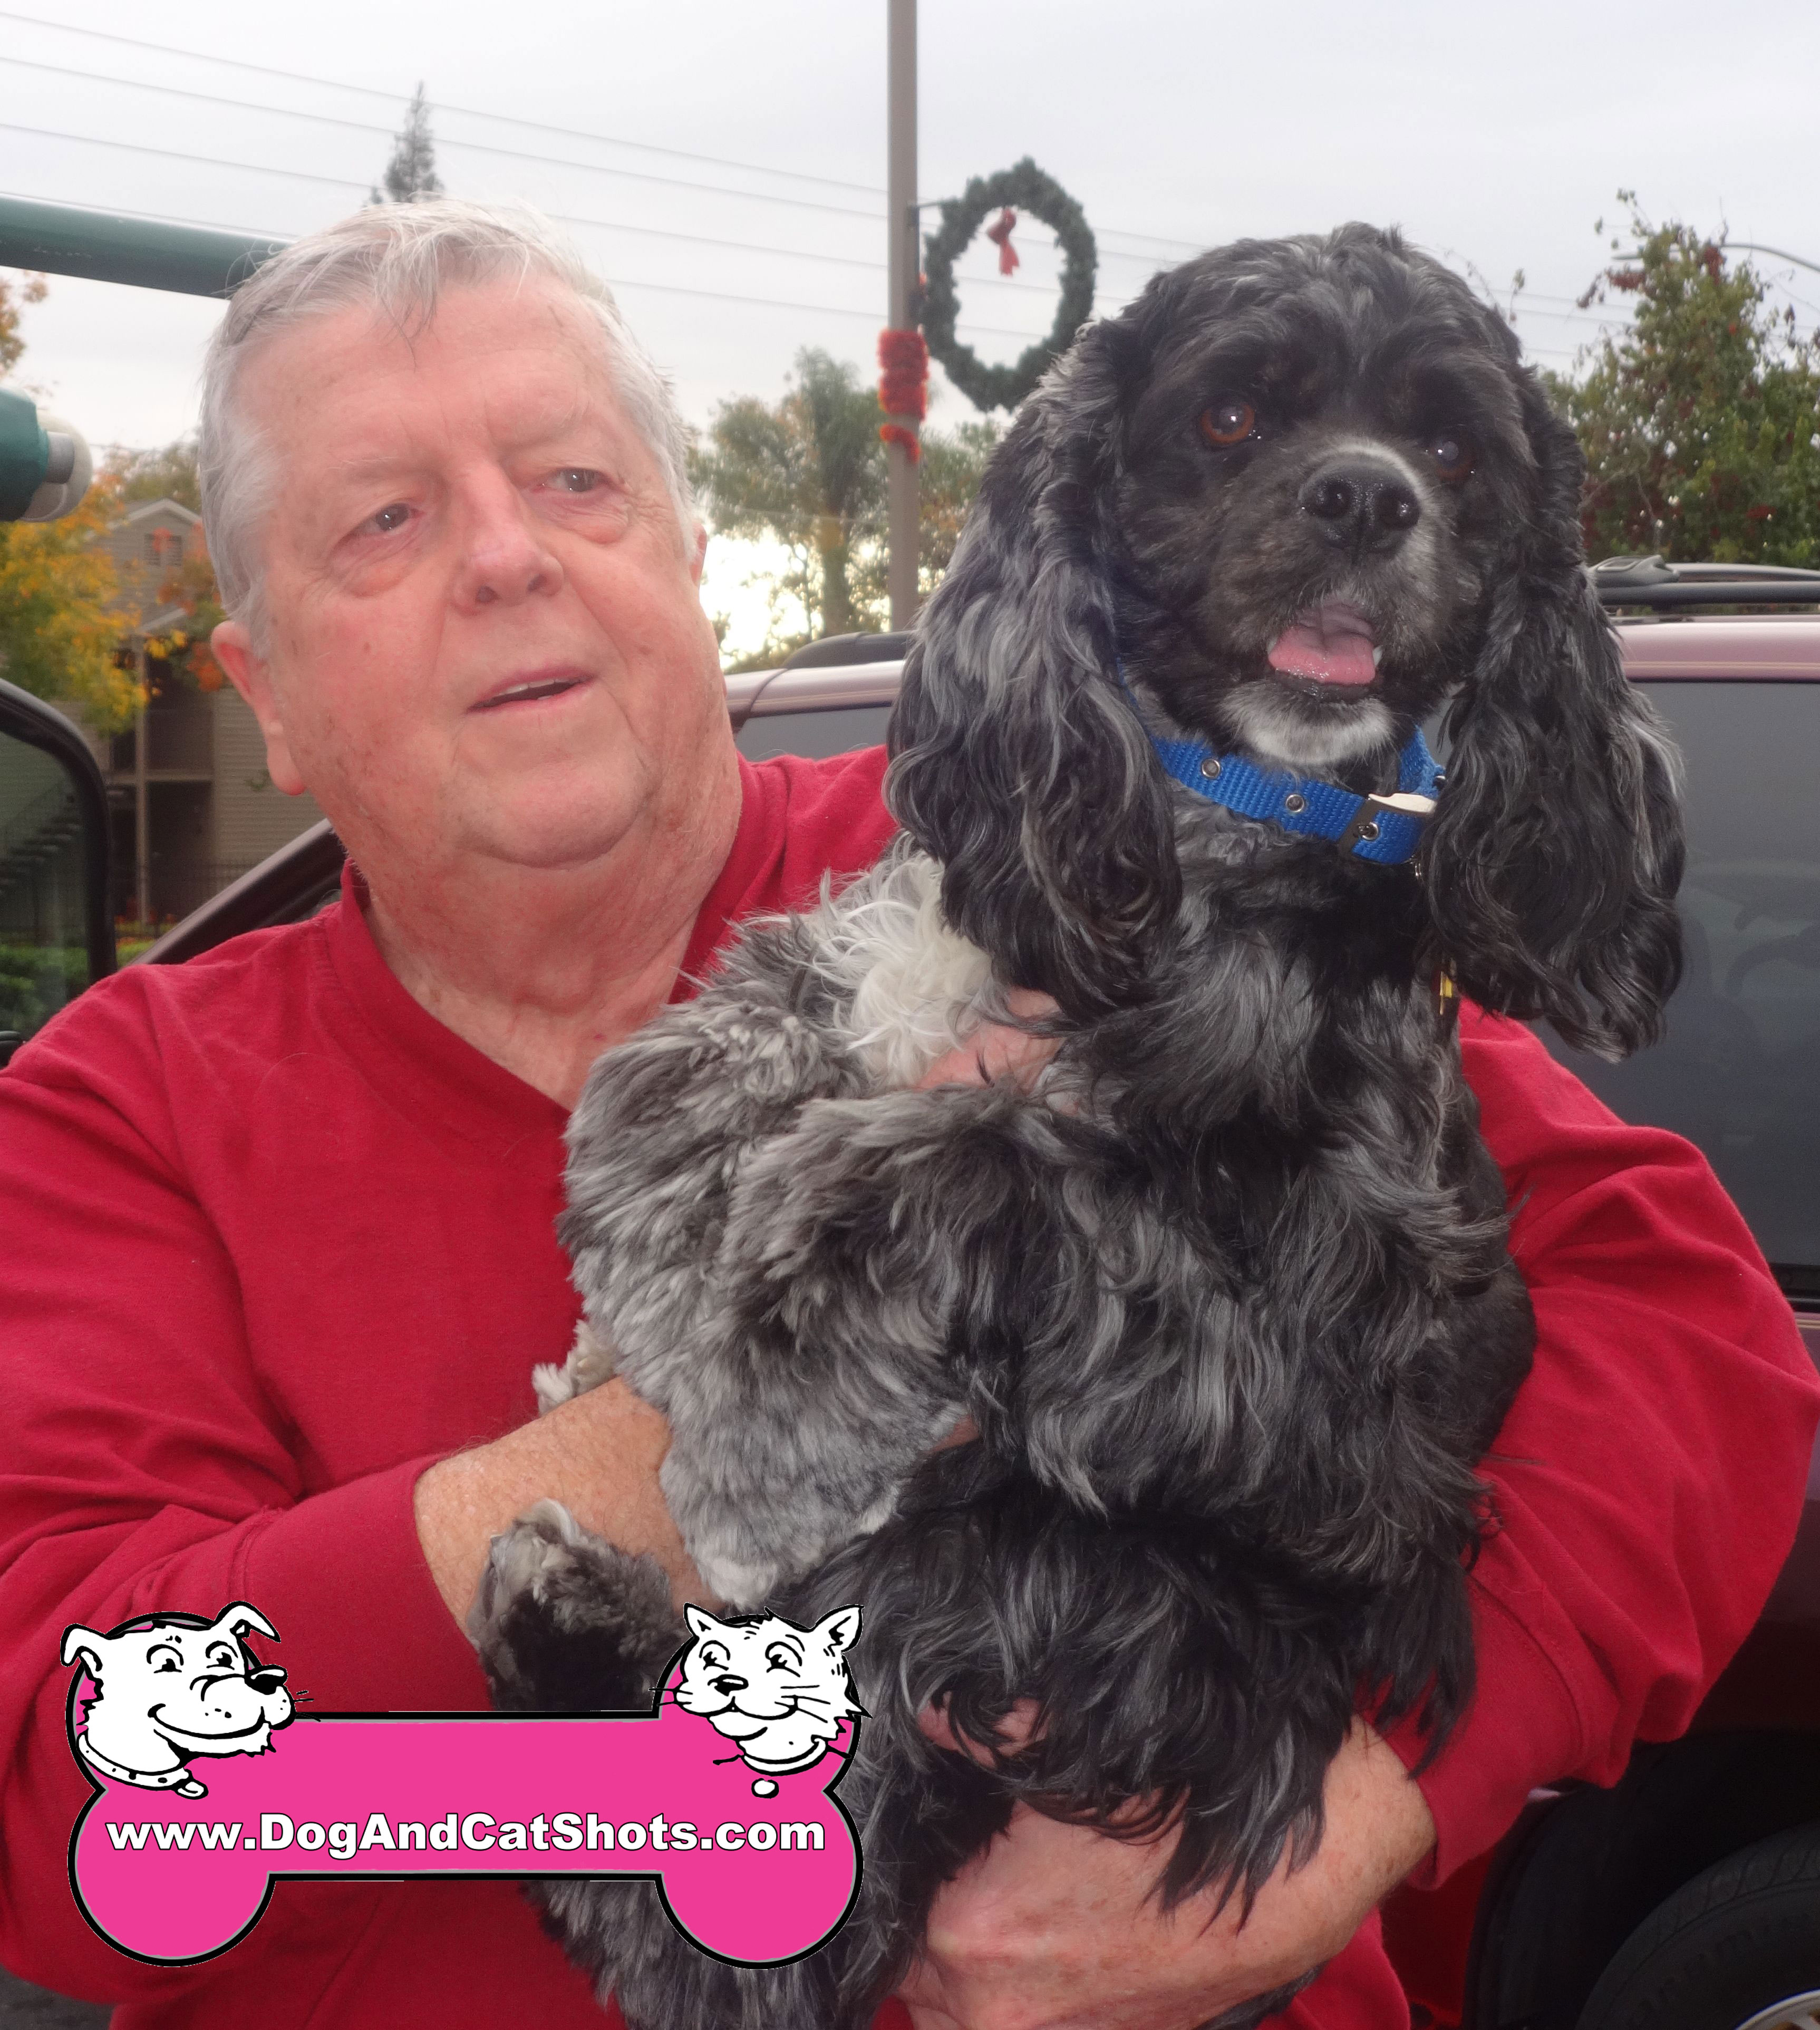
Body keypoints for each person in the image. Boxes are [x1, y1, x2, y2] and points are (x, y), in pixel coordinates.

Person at [0, 200, 1813, 2030]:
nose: (502, 557)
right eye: (384, 520)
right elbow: (50, 1783)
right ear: (265, 697)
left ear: (686, 559)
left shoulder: (1077, 839)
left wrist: (1351, 1808)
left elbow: (1694, 1335)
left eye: (571, 482)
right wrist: (702, 1436)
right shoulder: (112, 1110)